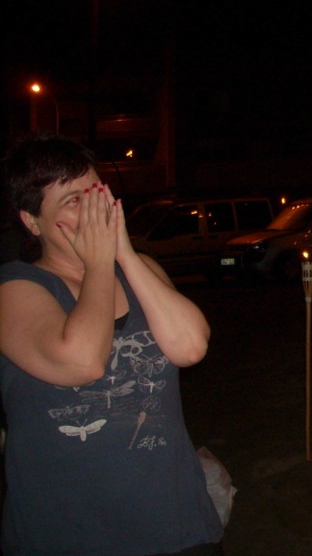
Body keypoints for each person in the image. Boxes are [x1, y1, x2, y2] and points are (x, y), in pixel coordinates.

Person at [0, 134, 224, 555]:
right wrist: (100, 262)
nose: (93, 209)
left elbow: (191, 346)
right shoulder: (15, 289)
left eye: (96, 193)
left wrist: (125, 256)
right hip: (70, 534)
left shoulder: (140, 270)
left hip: (174, 524)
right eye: (72, 200)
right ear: (32, 221)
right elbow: (82, 362)